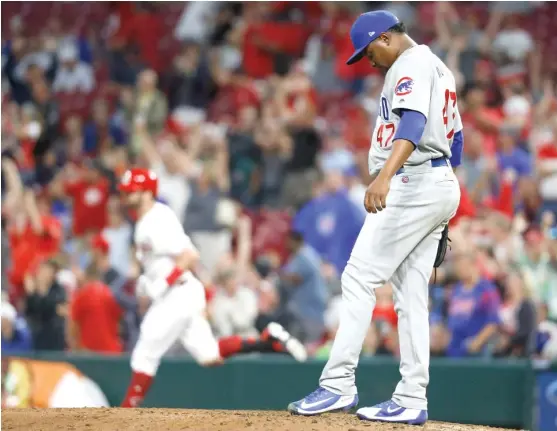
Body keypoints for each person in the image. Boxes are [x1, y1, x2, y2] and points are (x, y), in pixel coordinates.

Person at [288, 11, 462, 425]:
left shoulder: (411, 63)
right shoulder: (439, 66)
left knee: (358, 277)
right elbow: (456, 139)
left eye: (368, 52)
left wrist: (385, 177)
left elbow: (415, 122)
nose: (368, 61)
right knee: (410, 297)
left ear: (385, 38)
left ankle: (338, 384)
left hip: (412, 181)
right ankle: (411, 397)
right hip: (435, 181)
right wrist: (443, 200)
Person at [117, 168, 307, 408]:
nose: (126, 196)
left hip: (177, 293)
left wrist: (160, 284)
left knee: (145, 352)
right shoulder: (146, 220)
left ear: (147, 192)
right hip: (177, 293)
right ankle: (268, 340)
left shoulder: (157, 218)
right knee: (209, 356)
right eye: (125, 192)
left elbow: (189, 256)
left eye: (131, 191)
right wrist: (150, 285)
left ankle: (125, 413)